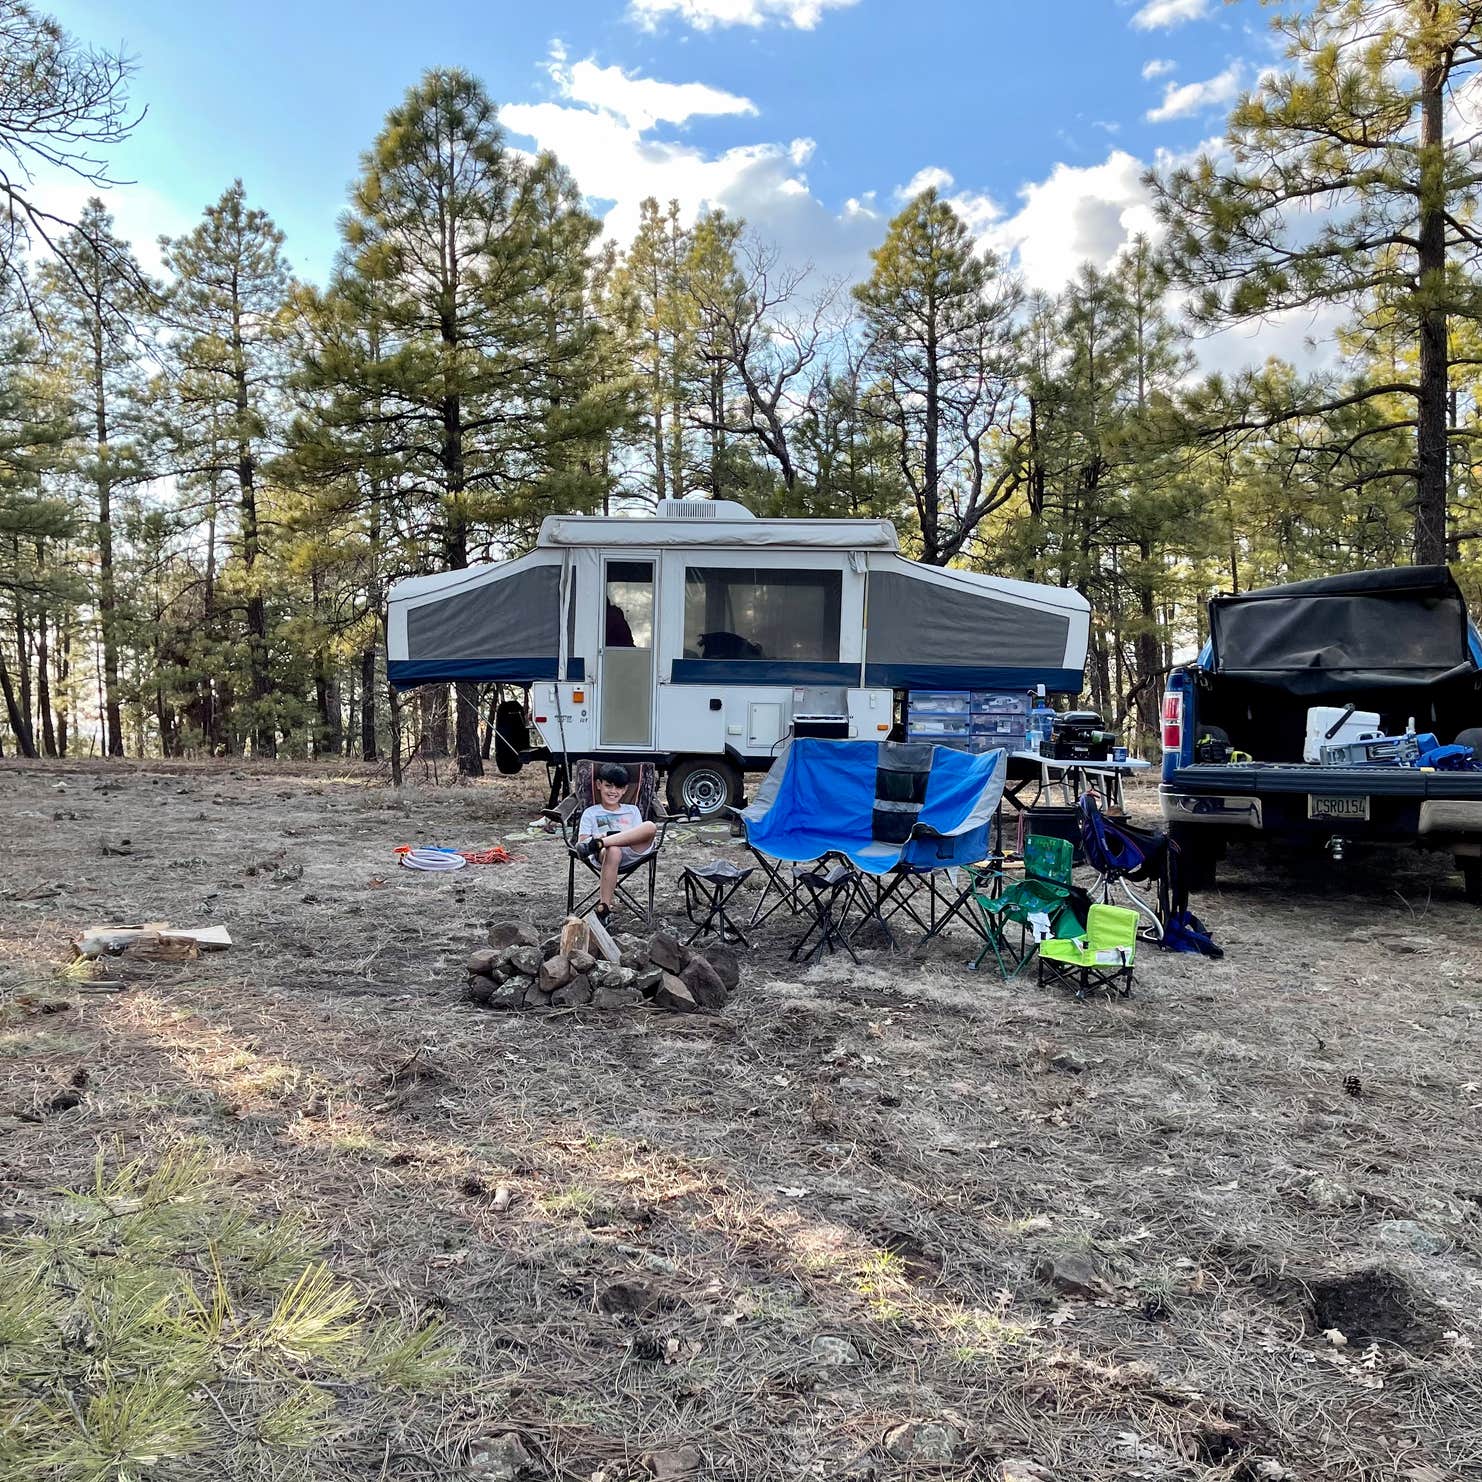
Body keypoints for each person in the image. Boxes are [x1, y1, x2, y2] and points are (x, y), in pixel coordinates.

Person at [575, 762, 657, 923]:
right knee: (613, 850)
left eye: (618, 788)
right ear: (599, 785)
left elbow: (638, 835)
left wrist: (605, 837)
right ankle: (604, 909)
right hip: (604, 856)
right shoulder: (591, 813)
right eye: (608, 786)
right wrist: (605, 843)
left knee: (650, 826)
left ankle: (601, 841)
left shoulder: (632, 810)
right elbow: (582, 844)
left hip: (632, 852)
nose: (613, 791)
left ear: (625, 789)